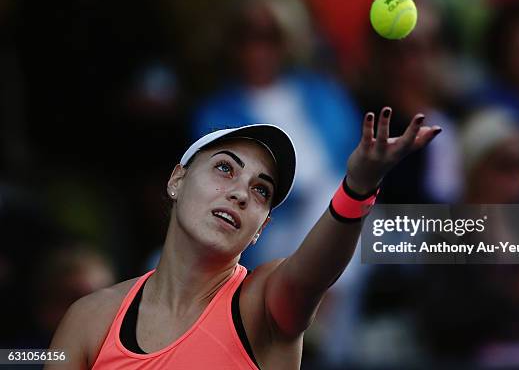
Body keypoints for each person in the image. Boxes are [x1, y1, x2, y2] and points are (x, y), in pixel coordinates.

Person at [46, 108, 441, 369]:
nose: (240, 193)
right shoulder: (89, 318)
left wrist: (359, 186)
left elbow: (312, 275)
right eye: (224, 169)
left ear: (261, 229)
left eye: (261, 191)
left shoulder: (263, 304)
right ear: (176, 181)